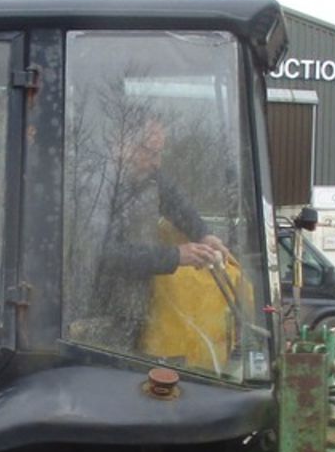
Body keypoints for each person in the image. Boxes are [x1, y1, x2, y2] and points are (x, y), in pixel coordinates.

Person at [81, 113, 227, 349]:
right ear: (123, 144)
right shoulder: (95, 186)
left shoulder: (145, 177)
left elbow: (174, 201)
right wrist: (175, 256)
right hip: (93, 312)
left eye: (160, 153)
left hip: (132, 312)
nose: (157, 162)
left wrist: (203, 233)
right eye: (150, 152)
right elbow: (102, 254)